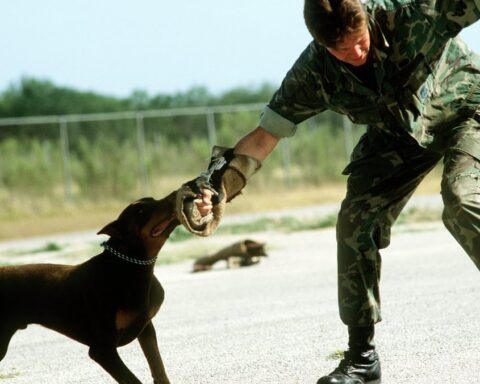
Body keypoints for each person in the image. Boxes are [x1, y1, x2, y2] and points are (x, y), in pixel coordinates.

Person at [177, 0, 480, 383]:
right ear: (321, 44)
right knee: (355, 222)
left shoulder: (413, 13)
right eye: (341, 50)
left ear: (366, 20)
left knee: (461, 199)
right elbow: (264, 136)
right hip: (397, 138)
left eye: (359, 41)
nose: (355, 54)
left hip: (467, 112)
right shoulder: (313, 73)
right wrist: (215, 188)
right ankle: (362, 358)